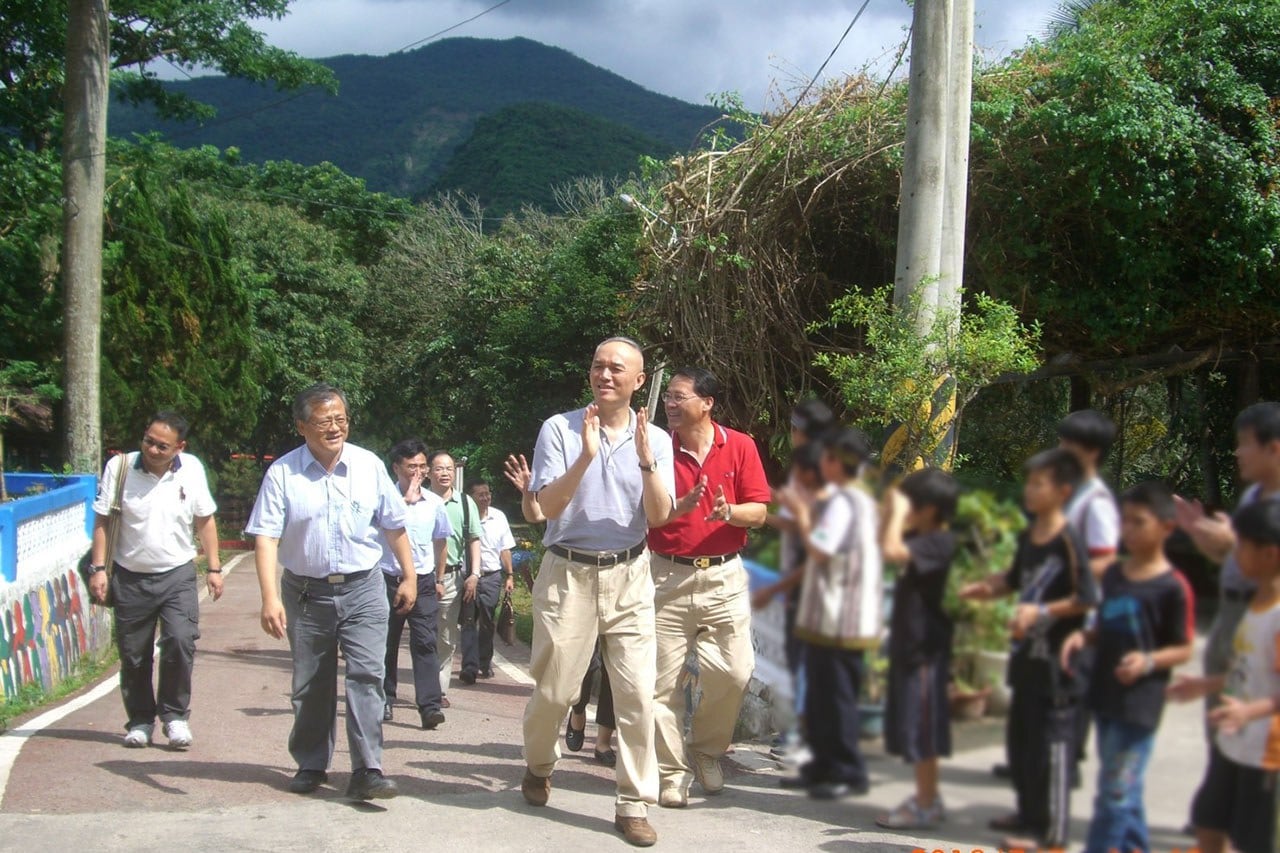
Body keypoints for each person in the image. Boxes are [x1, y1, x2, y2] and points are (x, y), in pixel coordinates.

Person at [520, 336, 677, 848]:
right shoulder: (560, 429)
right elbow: (546, 508)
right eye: (597, 366)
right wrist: (586, 457)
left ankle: (633, 802)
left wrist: (647, 461)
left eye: (616, 368)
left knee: (637, 695)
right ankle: (539, 765)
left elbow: (659, 516)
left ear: (639, 381)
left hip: (630, 575)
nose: (604, 375)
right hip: (569, 574)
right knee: (555, 692)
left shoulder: (656, 438)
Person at [246, 383, 417, 801]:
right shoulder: (283, 473)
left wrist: (409, 576)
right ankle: (311, 762)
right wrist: (269, 598)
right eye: (325, 421)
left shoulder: (368, 465)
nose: (335, 428)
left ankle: (368, 769)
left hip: (364, 588)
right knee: (311, 682)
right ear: (302, 426)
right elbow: (266, 537)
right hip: (306, 593)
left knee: (367, 676)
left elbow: (394, 525)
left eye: (341, 419)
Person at [959, 448, 1098, 849]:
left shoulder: (1069, 540)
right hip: (1027, 661)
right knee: (1024, 745)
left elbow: (1086, 597)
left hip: (1058, 666)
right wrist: (985, 588)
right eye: (1030, 483)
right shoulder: (1029, 537)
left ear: (1063, 491)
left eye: (1040, 484)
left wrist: (1041, 611)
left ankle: (1051, 834)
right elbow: (1014, 579)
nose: (1030, 491)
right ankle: (1027, 816)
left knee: (1052, 750)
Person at [647, 367, 771, 808]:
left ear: (707, 403)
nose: (670, 404)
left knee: (735, 672)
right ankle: (671, 772)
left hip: (724, 577)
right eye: (668, 397)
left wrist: (729, 512)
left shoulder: (739, 446)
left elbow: (760, 512)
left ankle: (706, 751)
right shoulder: (657, 448)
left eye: (679, 396)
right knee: (660, 683)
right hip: (664, 576)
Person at [1060, 482, 1194, 853]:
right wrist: (1083, 638)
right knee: (1123, 790)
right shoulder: (1115, 576)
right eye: (1125, 522)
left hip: (1139, 705)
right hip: (1105, 696)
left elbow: (1183, 648)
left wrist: (1148, 661)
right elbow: (1106, 625)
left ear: (1166, 527)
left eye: (1139, 522)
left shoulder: (1173, 587)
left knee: (1114, 796)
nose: (1128, 531)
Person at [86, 411, 223, 749]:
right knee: (134, 654)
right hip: (130, 577)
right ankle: (140, 721)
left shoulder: (191, 469)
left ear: (179, 447)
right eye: (149, 441)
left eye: (162, 446)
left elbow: (205, 520)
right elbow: (103, 521)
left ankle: (174, 717)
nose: (152, 450)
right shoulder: (120, 468)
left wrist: (214, 569)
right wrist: (98, 568)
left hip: (177, 574)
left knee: (180, 641)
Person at [1169, 498, 1280, 853]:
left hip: (1267, 754)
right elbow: (1250, 670)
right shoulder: (1256, 605)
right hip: (1235, 744)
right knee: (1208, 819)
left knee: (1254, 842)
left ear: (1270, 555)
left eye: (1242, 545)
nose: (1235, 553)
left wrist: (1249, 711)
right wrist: (1207, 685)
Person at [776, 427, 882, 800]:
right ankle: (823, 766)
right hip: (831, 613)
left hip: (842, 616)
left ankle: (845, 770)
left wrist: (802, 515)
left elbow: (820, 550)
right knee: (823, 693)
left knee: (836, 696)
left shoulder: (845, 502)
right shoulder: (852, 498)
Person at [506, 453, 618, 765]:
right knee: (582, 664)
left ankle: (604, 741)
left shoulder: (629, 467)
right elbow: (536, 514)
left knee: (619, 670)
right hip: (574, 578)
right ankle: (578, 710)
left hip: (623, 578)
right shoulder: (565, 467)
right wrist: (529, 493)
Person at [875, 467, 961, 829]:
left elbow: (890, 550)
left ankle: (926, 803)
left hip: (926, 651)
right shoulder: (920, 536)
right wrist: (890, 512)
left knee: (923, 728)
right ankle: (928, 797)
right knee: (912, 725)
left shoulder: (939, 542)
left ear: (930, 509)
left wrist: (896, 512)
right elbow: (881, 545)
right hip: (910, 646)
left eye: (911, 503)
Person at [1056, 409, 1121, 783]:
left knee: (1069, 692)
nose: (1060, 449)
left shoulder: (1096, 502)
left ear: (1092, 451)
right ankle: (1042, 763)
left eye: (1069, 443)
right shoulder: (1070, 494)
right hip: (1060, 609)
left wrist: (1057, 575)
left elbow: (1105, 561)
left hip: (1081, 613)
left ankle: (1064, 770)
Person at [380, 439, 451, 730]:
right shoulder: (383, 499)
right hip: (387, 579)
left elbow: (441, 542)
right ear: (396, 468)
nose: (418, 472)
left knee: (425, 642)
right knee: (386, 642)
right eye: (411, 467)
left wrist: (439, 578)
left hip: (423, 581)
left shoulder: (434, 503)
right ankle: (384, 698)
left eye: (422, 467)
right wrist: (404, 502)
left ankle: (430, 706)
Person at [427, 450, 482, 696]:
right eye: (439, 468)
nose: (445, 473)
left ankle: (438, 692)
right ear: (428, 472)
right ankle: (420, 686)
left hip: (451, 578)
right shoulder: (418, 500)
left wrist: (475, 574)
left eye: (449, 468)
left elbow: (474, 539)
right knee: (421, 634)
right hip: (420, 576)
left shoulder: (466, 503)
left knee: (446, 636)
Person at [465, 479, 515, 680]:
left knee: (487, 622)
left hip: (491, 577)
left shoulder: (499, 517)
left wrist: (509, 575)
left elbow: (505, 548)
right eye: (481, 494)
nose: (486, 498)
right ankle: (469, 667)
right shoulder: (465, 517)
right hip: (468, 577)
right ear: (471, 498)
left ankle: (484, 663)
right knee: (468, 621)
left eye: (487, 493)